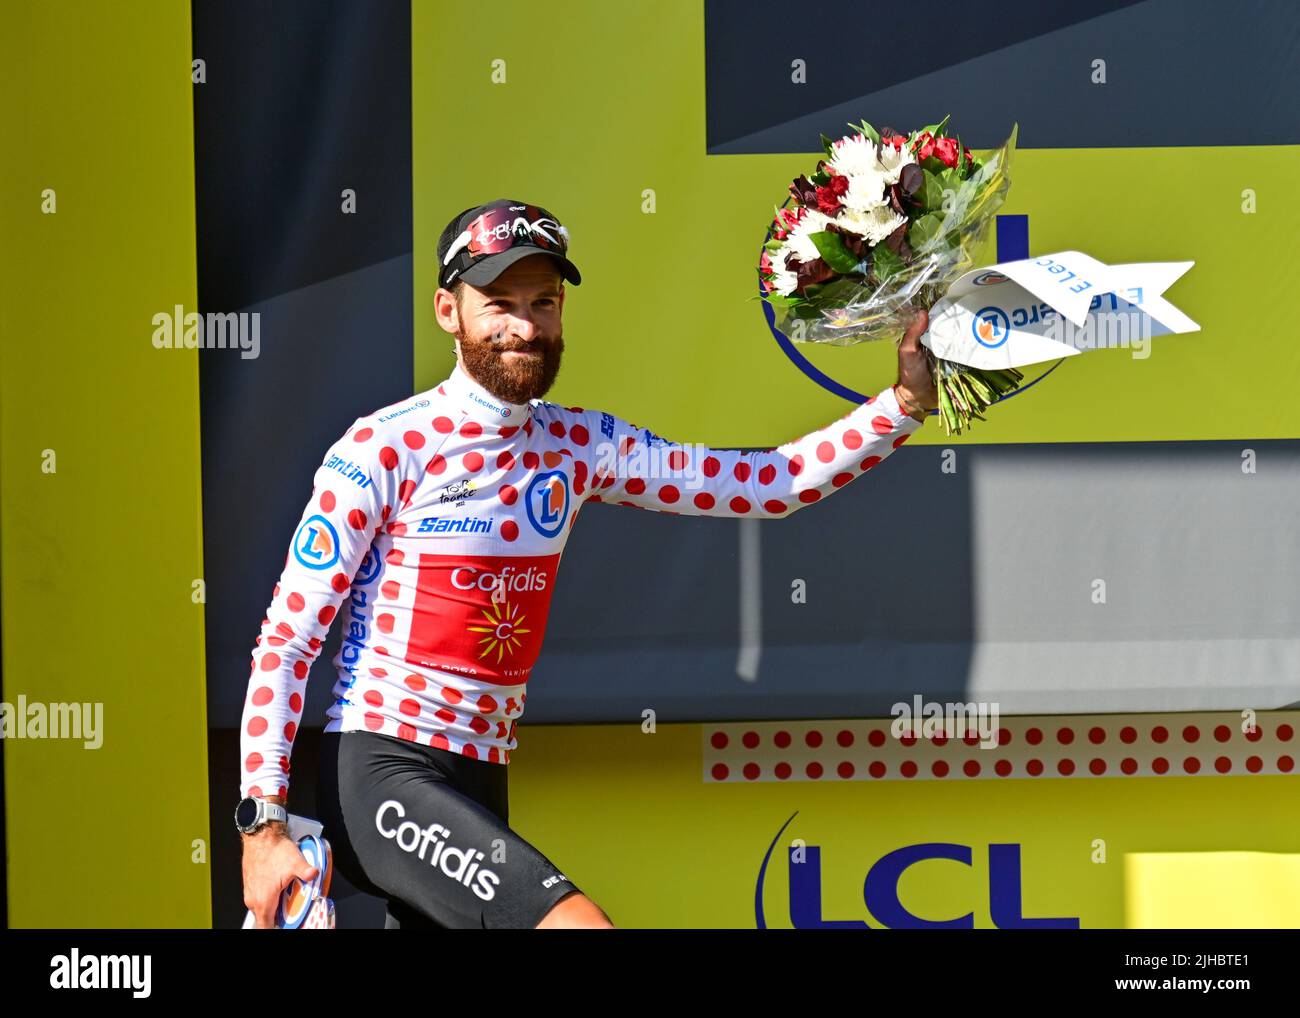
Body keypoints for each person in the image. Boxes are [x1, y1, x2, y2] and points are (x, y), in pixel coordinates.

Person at [237, 199, 938, 929]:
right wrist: (263, 825)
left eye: (544, 302)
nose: (525, 326)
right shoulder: (384, 447)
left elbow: (773, 484)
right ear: (448, 311)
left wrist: (904, 404)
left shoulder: (579, 445)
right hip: (382, 772)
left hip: (481, 776)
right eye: (499, 304)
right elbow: (288, 641)